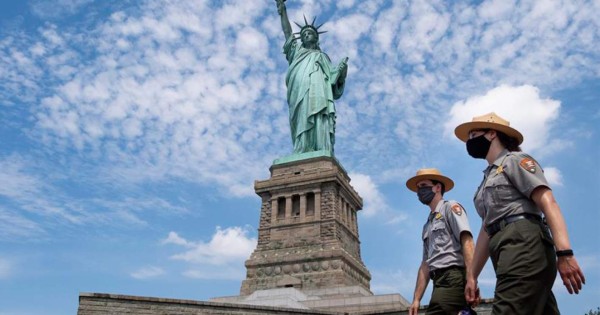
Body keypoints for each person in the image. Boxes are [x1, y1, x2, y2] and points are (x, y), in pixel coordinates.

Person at [455, 112, 586, 314]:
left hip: (523, 243)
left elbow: (547, 201)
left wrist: (565, 253)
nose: (470, 141)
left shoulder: (515, 160)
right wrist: (472, 276)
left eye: (474, 134)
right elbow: (486, 228)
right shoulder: (486, 179)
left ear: (491, 134)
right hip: (504, 249)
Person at [276, 0, 348, 154]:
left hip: (319, 90)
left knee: (320, 114)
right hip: (299, 89)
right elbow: (287, 33)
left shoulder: (322, 57)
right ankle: (302, 147)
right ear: (301, 39)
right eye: (304, 34)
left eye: (310, 33)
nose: (307, 35)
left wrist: (341, 72)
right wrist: (282, 10)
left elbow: (333, 80)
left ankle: (321, 147)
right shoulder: (296, 52)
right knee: (302, 115)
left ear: (316, 37)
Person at [406, 168, 476, 315]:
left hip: (453, 276)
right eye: (418, 188)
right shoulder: (427, 226)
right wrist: (416, 299)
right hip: (438, 281)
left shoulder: (450, 208)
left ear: (437, 188)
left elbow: (467, 241)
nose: (420, 191)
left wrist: (471, 277)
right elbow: (425, 264)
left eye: (423, 186)